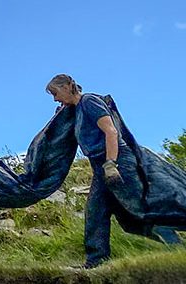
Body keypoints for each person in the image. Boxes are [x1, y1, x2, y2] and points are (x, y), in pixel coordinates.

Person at [45, 74, 149, 268]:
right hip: (98, 165)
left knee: (137, 206)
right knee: (96, 211)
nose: (55, 98)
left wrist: (111, 164)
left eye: (56, 93)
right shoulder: (76, 112)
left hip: (117, 161)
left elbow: (111, 131)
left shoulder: (89, 101)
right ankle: (96, 261)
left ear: (68, 86)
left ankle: (172, 245)